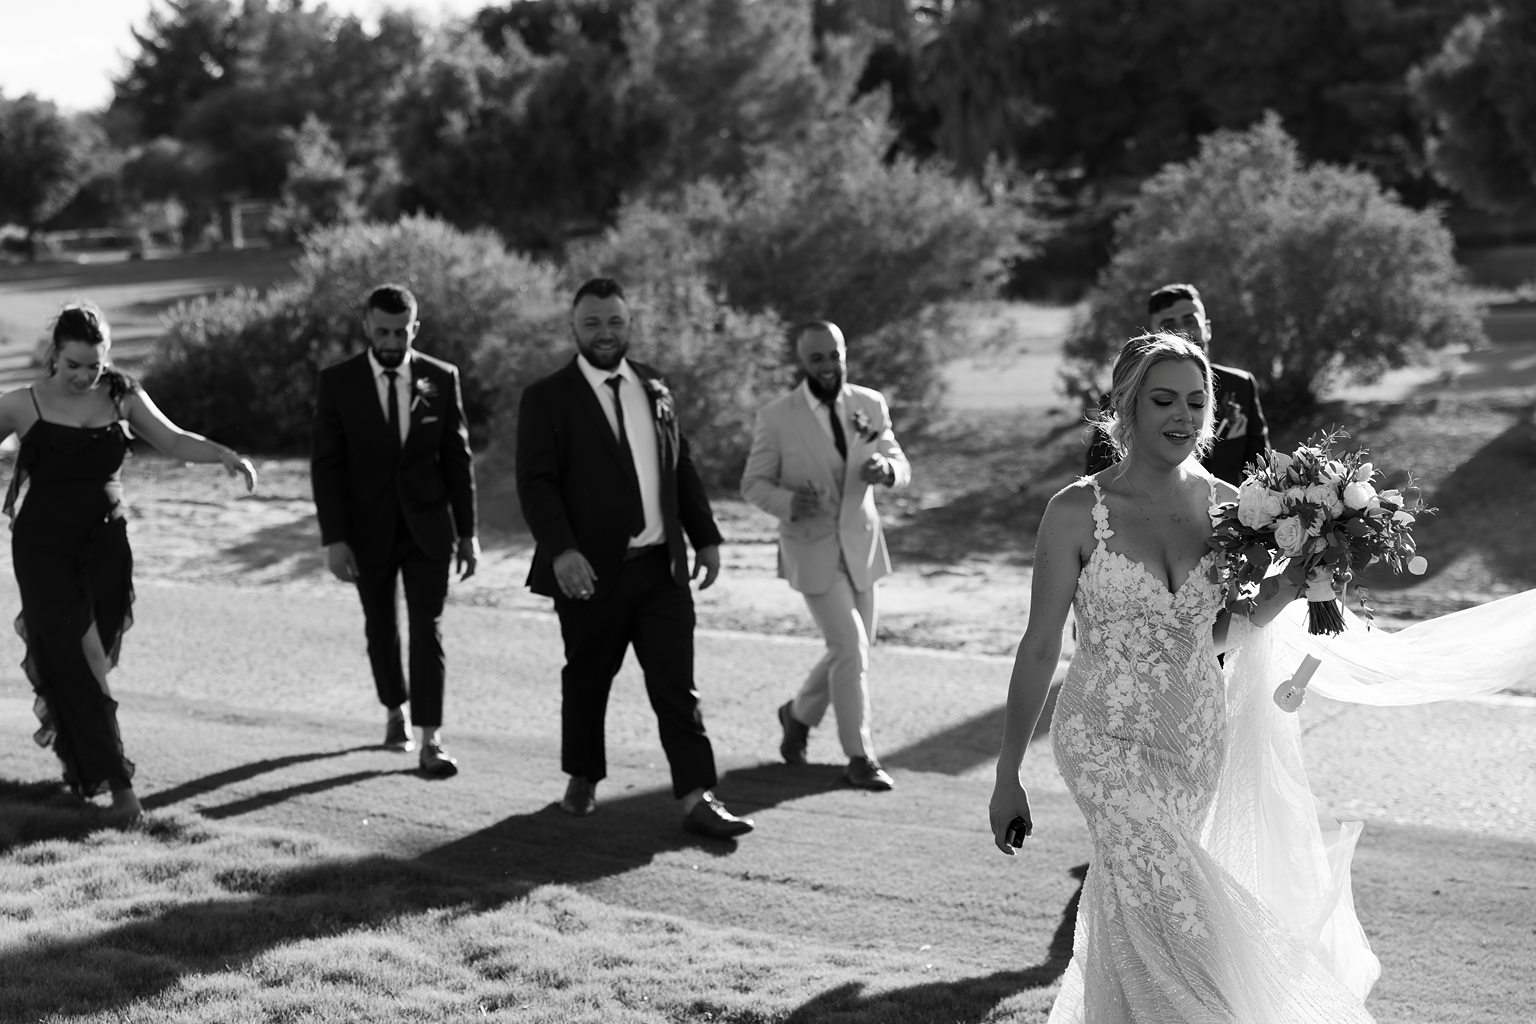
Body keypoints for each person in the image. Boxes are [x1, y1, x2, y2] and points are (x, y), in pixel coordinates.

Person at [515, 277, 754, 840]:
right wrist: (563, 551)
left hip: (661, 570)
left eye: (615, 321)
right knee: (588, 679)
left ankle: (699, 796)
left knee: (676, 686)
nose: (605, 333)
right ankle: (582, 778)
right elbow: (536, 484)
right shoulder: (546, 398)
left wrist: (707, 536)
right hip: (589, 573)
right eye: (593, 322)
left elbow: (681, 466)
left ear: (629, 324)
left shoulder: (655, 385)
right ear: (574, 327)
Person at [0, 302, 257, 822]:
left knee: (87, 660)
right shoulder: (20, 404)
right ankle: (122, 793)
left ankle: (84, 767)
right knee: (84, 659)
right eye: (73, 364)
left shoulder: (120, 394)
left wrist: (225, 455)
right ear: (54, 354)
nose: (83, 375)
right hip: (43, 549)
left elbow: (173, 439)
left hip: (106, 546)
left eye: (93, 365)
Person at [311, 284, 479, 778]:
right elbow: (327, 466)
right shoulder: (338, 383)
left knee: (428, 628)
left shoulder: (440, 378)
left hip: (429, 527)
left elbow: (457, 459)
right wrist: (334, 538)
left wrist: (467, 533)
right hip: (366, 531)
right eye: (381, 330)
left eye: (400, 331)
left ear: (415, 328)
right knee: (380, 625)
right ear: (366, 326)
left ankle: (432, 738)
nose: (390, 339)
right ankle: (394, 711)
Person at [741, 321, 911, 790]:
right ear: (803, 363)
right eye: (817, 358)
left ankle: (796, 716)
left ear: (843, 353)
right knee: (849, 648)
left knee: (852, 650)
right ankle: (860, 757)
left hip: (861, 543)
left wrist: (888, 470)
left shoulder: (869, 403)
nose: (828, 366)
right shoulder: (777, 417)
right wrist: (790, 502)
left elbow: (899, 460)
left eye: (834, 355)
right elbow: (753, 484)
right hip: (810, 548)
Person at [1085, 283, 1268, 485]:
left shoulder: (1241, 385)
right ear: (1154, 336)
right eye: (1169, 325)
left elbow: (1263, 468)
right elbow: (1099, 476)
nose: (1182, 332)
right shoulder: (1123, 395)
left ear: (1207, 329)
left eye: (1190, 321)